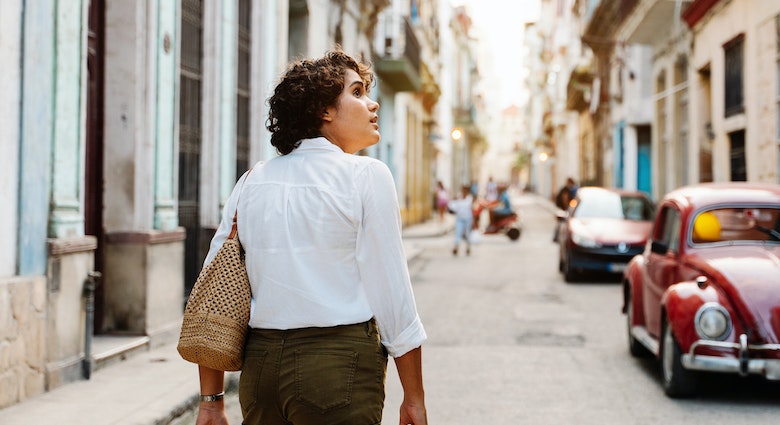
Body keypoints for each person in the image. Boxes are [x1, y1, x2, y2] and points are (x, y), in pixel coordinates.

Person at [195, 49, 428, 425]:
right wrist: (413, 397)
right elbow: (393, 294)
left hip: (262, 373)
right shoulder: (367, 176)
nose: (372, 104)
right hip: (337, 368)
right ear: (324, 111)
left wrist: (211, 400)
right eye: (356, 92)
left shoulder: (252, 180)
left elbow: (215, 291)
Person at [448, 185, 474, 256]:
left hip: (468, 219)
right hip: (459, 218)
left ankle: (468, 247)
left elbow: (472, 209)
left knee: (468, 234)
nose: (464, 192)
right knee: (458, 233)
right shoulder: (458, 198)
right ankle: (456, 247)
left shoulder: (470, 199)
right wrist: (453, 200)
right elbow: (453, 207)